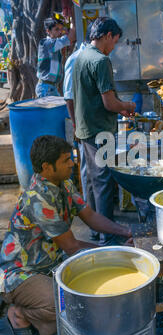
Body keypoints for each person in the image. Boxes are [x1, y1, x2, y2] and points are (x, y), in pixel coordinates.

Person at [0, 135, 133, 335]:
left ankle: (32, 306)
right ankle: (18, 314)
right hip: (20, 272)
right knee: (63, 306)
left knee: (86, 298)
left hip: (50, 264)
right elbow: (71, 246)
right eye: (65, 160)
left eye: (70, 157)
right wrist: (115, 253)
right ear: (47, 167)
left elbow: (90, 216)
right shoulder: (38, 199)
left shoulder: (64, 183)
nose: (72, 163)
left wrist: (125, 231)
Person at [72, 17, 136, 244]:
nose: (114, 47)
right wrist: (126, 106)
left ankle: (95, 230)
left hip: (85, 128)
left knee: (90, 181)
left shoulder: (81, 56)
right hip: (99, 130)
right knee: (103, 183)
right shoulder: (100, 61)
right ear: (107, 35)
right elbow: (109, 103)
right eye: (115, 42)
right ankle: (107, 237)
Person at [63, 22, 94, 202]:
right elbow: (69, 96)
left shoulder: (92, 57)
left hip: (93, 123)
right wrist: (76, 126)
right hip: (83, 125)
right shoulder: (76, 59)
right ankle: (90, 212)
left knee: (94, 169)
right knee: (88, 170)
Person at [36, 17, 76, 98]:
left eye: (61, 29)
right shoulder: (47, 43)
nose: (60, 32)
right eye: (56, 29)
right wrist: (73, 21)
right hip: (46, 88)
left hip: (51, 87)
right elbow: (71, 37)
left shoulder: (55, 45)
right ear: (48, 31)